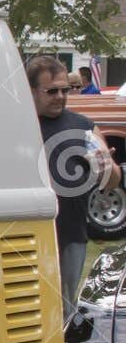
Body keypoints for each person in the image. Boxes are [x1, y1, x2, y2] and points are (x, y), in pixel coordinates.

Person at [28, 53, 121, 320]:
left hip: (71, 233)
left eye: (64, 90)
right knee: (30, 304)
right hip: (28, 232)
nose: (59, 96)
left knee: (65, 305)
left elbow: (111, 181)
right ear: (32, 90)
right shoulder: (20, 126)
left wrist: (107, 167)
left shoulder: (84, 127)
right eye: (51, 91)